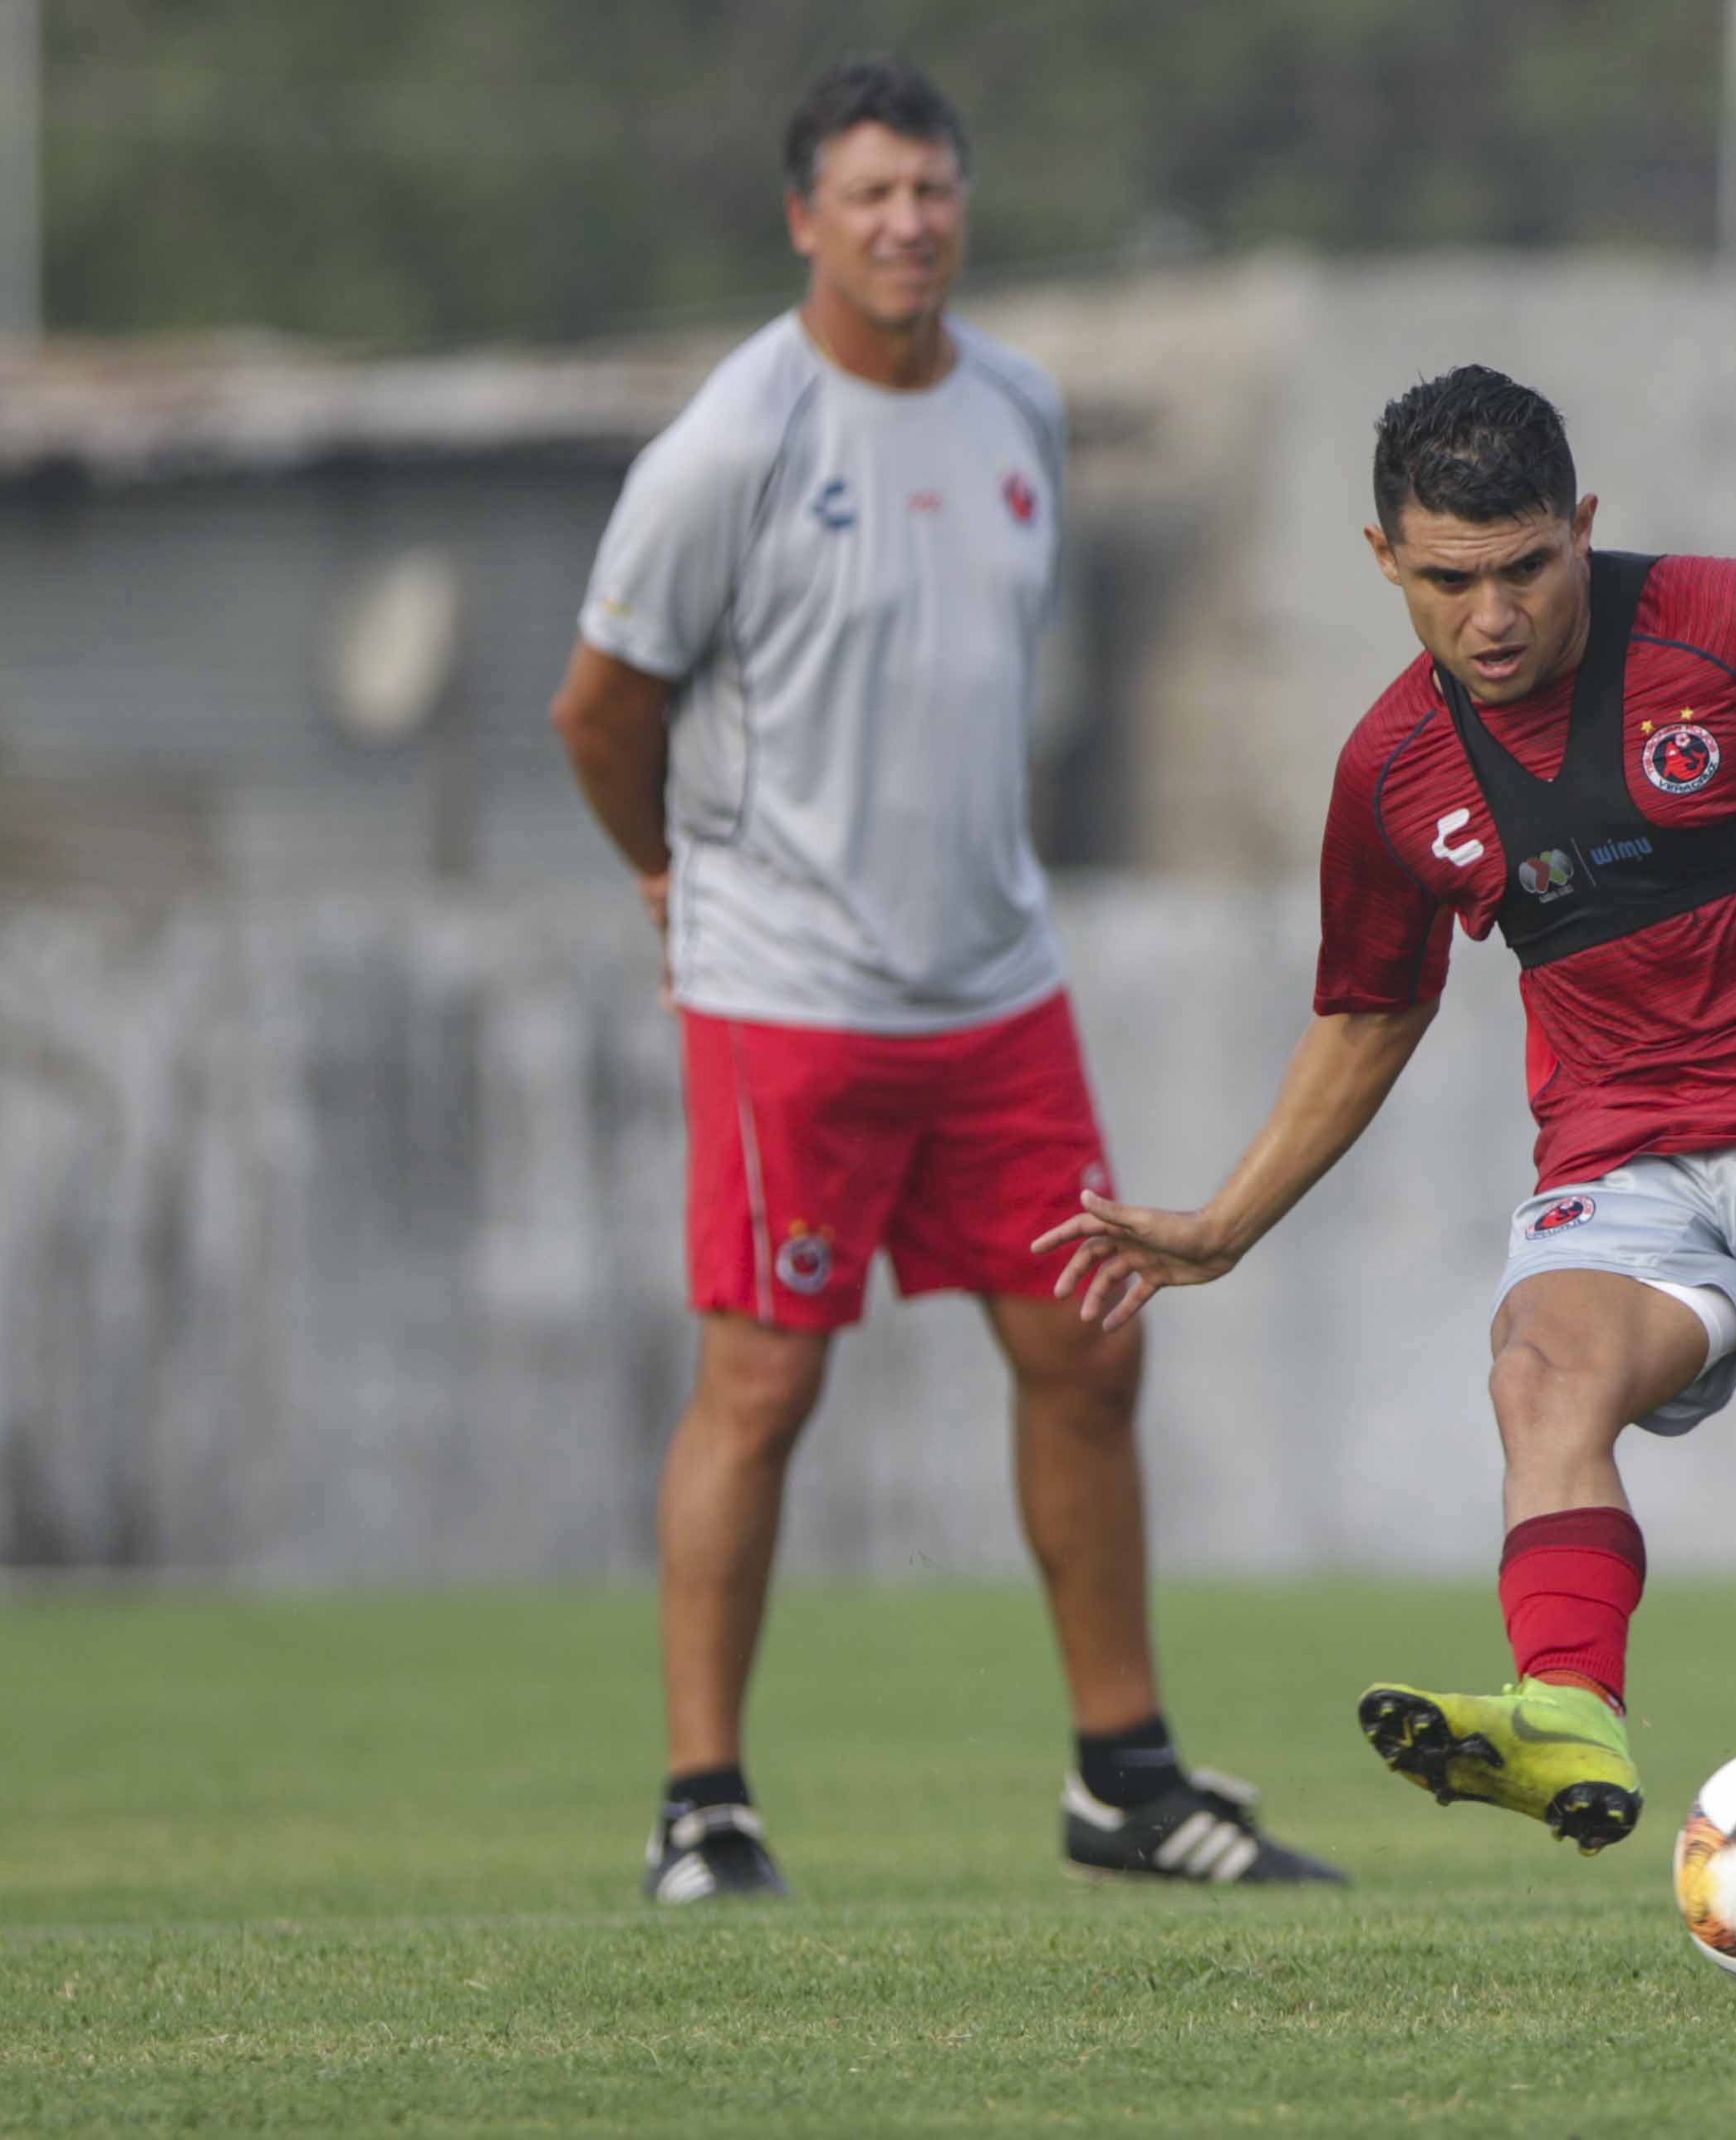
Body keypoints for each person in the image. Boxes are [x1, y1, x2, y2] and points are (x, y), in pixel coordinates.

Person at [1036, 366, 1736, 1853]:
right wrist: (1226, 1226)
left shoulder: (1733, 624)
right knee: (1540, 1374)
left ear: (1582, 527)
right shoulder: (1391, 773)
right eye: (1450, 580)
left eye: (1526, 567)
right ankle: (1567, 1709)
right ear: (1383, 559)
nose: (1492, 615)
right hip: (1625, 1147)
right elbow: (1375, 1003)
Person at [547, 55, 1339, 1900]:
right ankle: (703, 1808)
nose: (910, 222)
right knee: (764, 1385)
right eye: (872, 194)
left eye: (936, 189)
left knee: (1090, 1347)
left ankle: (1124, 1780)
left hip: (996, 990)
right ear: (805, 219)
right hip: (787, 996)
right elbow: (599, 710)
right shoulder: (731, 445)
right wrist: (671, 874)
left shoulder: (1021, 410)